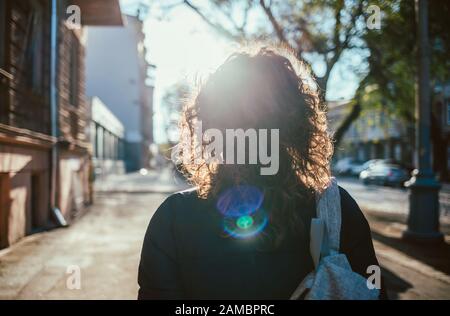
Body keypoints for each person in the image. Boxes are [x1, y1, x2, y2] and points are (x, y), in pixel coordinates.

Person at [137, 45, 385, 299]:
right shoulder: (336, 210)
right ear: (298, 126)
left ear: (208, 127)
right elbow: (372, 291)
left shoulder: (173, 218)